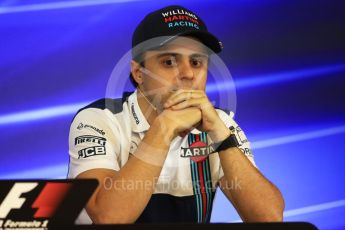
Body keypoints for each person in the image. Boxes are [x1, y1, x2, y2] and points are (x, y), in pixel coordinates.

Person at [68, 5, 284, 224]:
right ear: (138, 73)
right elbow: (109, 218)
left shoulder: (220, 123)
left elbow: (269, 218)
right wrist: (164, 129)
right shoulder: (99, 119)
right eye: (169, 62)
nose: (188, 74)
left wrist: (221, 134)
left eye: (196, 62)